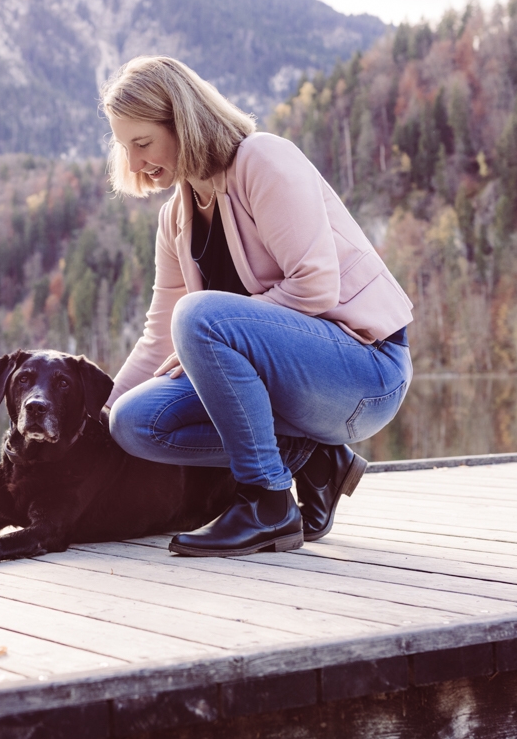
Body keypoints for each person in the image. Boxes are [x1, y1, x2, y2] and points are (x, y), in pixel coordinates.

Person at [102, 56, 414, 557]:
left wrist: (210, 332)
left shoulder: (263, 160)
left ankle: (268, 503)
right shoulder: (175, 219)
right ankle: (312, 458)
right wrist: (98, 415)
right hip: (296, 395)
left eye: (143, 143)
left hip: (365, 373)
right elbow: (158, 335)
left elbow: (315, 285)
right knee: (133, 422)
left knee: (198, 315)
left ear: (183, 122)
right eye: (124, 147)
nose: (134, 163)